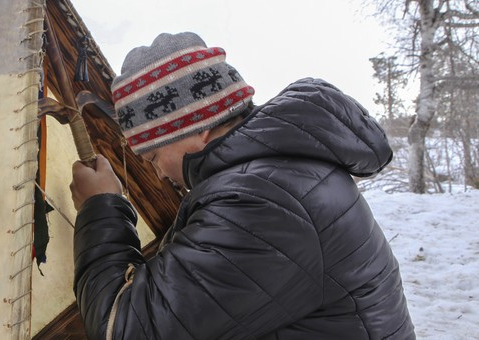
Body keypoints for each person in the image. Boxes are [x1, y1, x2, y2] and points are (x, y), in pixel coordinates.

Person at [69, 32, 415, 339]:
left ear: (197, 126)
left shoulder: (258, 204)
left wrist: (100, 206)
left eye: (155, 156)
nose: (158, 174)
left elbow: (127, 328)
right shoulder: (278, 172)